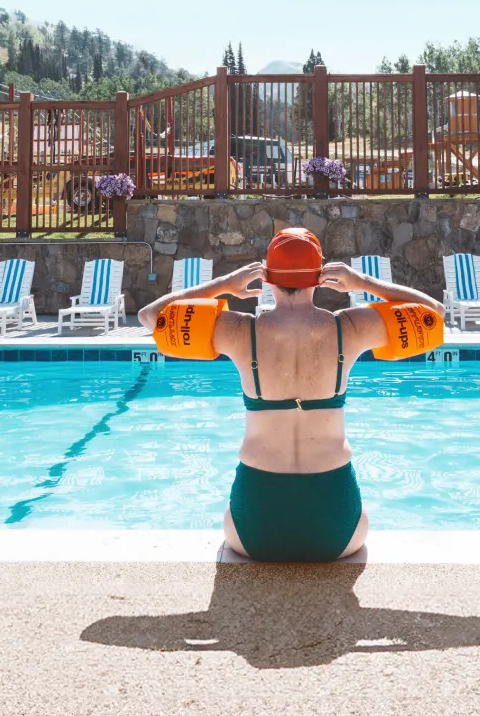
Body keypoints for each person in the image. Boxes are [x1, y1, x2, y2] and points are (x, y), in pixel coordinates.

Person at [137, 227, 442, 562]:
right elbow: (435, 314)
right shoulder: (352, 328)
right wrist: (363, 283)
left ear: (267, 279)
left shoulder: (239, 331)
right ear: (320, 278)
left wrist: (223, 285)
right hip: (336, 529)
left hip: (254, 529)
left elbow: (150, 316)